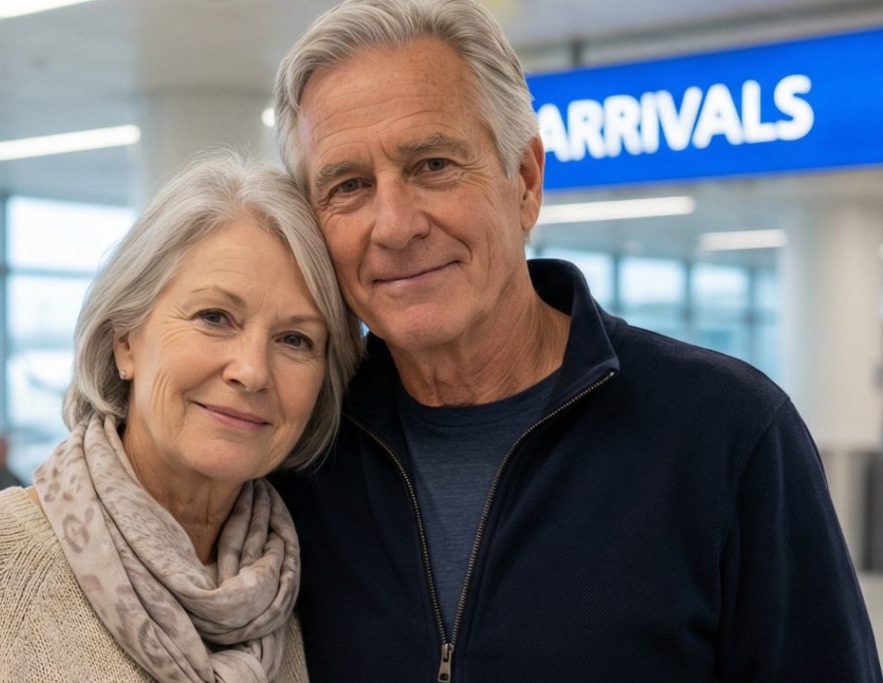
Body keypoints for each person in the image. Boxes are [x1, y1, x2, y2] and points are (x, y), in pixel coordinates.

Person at [270, 1, 883, 680]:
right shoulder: (299, 452)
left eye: (433, 165)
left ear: (525, 181)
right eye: (349, 186)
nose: (394, 225)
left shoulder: (727, 434)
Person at [0, 154, 362, 683]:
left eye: (295, 340)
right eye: (214, 317)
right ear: (125, 339)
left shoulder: (315, 587)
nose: (252, 371)